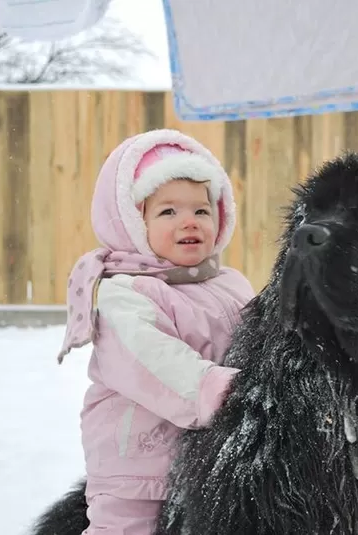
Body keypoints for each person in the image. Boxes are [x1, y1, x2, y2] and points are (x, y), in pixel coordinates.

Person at [56, 128, 255, 535]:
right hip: (138, 465)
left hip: (209, 456)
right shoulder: (123, 293)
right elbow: (155, 363)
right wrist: (227, 392)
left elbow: (258, 341)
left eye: (201, 211)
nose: (189, 222)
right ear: (132, 222)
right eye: (168, 212)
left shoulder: (231, 284)